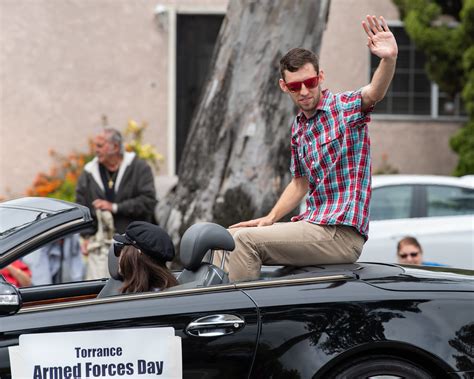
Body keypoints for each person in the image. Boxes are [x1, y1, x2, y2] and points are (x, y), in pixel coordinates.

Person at [220, 15, 398, 282]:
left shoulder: (343, 107)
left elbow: (374, 92)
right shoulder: (299, 128)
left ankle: (243, 320)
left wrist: (388, 59)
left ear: (320, 77)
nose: (304, 91)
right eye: (294, 86)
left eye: (310, 82)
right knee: (225, 238)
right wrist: (270, 217)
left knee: (244, 241)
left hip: (341, 233)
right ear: (284, 87)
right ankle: (208, 313)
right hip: (313, 224)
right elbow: (299, 184)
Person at [76, 128, 157, 279]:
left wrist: (115, 207)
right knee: (99, 290)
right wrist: (86, 237)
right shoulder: (88, 172)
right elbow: (82, 206)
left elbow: (148, 201)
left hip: (135, 247)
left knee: (133, 287)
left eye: (100, 146)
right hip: (100, 249)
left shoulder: (139, 168)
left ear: (115, 147)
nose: (96, 150)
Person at [113, 221, 178, 293]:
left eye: (120, 248)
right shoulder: (147, 291)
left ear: (136, 255)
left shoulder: (155, 297)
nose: (119, 255)